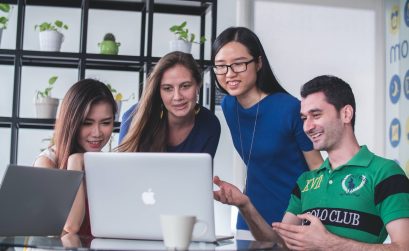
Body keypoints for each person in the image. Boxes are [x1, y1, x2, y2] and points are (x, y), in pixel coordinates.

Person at [213, 75, 409, 249]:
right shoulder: (306, 181)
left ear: (346, 114)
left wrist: (330, 243)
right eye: (304, 118)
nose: (307, 127)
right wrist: (245, 205)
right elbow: (280, 241)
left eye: (316, 115)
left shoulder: (385, 172)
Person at [211, 26, 323, 235]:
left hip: (293, 220)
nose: (229, 74)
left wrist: (304, 219)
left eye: (239, 64)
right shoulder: (228, 106)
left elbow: (318, 169)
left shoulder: (289, 108)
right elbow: (257, 161)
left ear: (259, 62)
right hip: (250, 218)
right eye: (221, 66)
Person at [34, 79, 117, 235]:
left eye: (106, 123)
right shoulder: (46, 163)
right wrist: (75, 162)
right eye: (87, 123)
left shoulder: (104, 164)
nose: (97, 133)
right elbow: (71, 226)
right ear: (71, 122)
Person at [117, 51, 221, 158]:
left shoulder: (210, 124)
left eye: (185, 86)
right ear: (159, 91)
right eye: (167, 88)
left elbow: (201, 173)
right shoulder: (133, 117)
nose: (177, 97)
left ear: (198, 85)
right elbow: (122, 170)